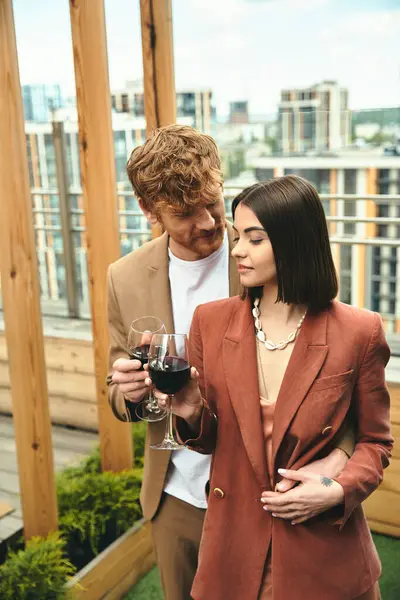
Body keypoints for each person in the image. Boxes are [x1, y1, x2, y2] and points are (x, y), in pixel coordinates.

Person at [107, 129, 353, 600]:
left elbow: (333, 376)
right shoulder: (125, 277)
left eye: (212, 202)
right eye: (184, 213)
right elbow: (117, 391)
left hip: (264, 497)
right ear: (148, 211)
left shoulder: (272, 259)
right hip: (176, 496)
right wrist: (129, 392)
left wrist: (335, 462)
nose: (208, 222)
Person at [151, 175, 393, 600]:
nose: (238, 250)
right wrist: (189, 410)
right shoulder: (210, 321)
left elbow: (375, 441)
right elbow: (210, 440)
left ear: (294, 241)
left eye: (254, 239)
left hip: (324, 552)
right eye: (237, 235)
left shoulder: (360, 331)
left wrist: (335, 491)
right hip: (234, 548)